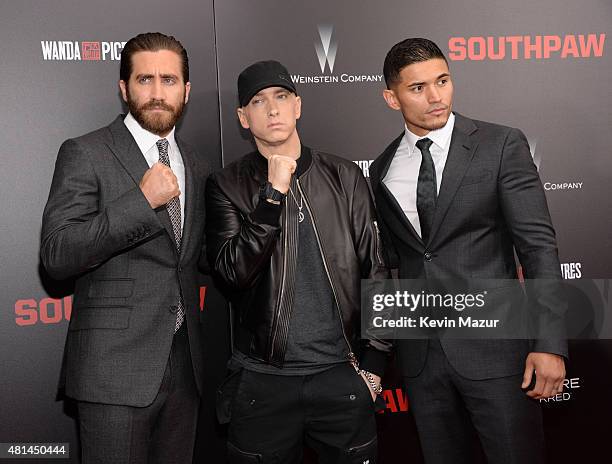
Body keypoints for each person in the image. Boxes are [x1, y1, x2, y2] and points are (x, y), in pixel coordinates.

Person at [369, 38, 567, 464]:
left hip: (498, 352)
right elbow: (394, 264)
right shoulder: (382, 168)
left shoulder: (500, 145)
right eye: (418, 88)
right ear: (391, 97)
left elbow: (538, 249)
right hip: (422, 361)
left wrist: (549, 342)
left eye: (442, 80)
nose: (436, 96)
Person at [206, 60, 390, 463]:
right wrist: (271, 197)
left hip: (341, 376)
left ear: (298, 106)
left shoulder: (344, 176)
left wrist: (374, 364)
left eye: (281, 97)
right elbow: (233, 273)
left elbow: (374, 270)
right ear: (242, 117)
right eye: (258, 101)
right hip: (263, 382)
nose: (272, 109)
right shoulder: (226, 185)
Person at [40, 32, 208, 464]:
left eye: (169, 80)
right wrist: (140, 201)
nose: (157, 92)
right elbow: (57, 255)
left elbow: (196, 257)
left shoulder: (197, 163)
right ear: (123, 88)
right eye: (144, 79)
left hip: (186, 371)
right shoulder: (86, 152)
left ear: (186, 91)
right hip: (112, 372)